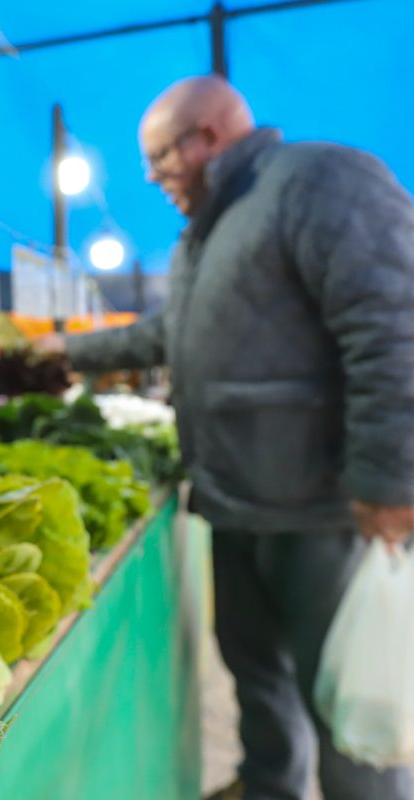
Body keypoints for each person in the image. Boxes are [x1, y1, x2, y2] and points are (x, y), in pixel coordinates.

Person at [37, 75, 414, 800]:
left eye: (159, 159)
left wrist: (392, 480)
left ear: (206, 135)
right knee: (257, 678)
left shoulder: (317, 180)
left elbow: (395, 324)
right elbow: (164, 336)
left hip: (325, 512)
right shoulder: (202, 238)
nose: (152, 178)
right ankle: (271, 787)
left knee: (348, 697)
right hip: (238, 505)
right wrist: (70, 352)